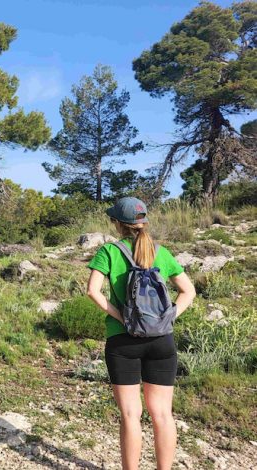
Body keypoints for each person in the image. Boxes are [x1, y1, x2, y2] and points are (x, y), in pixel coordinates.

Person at [87, 197, 196, 470]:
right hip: (162, 340)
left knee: (130, 415)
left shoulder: (109, 251)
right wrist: (166, 318)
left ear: (117, 223)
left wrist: (124, 318)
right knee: (162, 414)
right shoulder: (161, 252)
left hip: (123, 341)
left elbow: (92, 291)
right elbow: (189, 291)